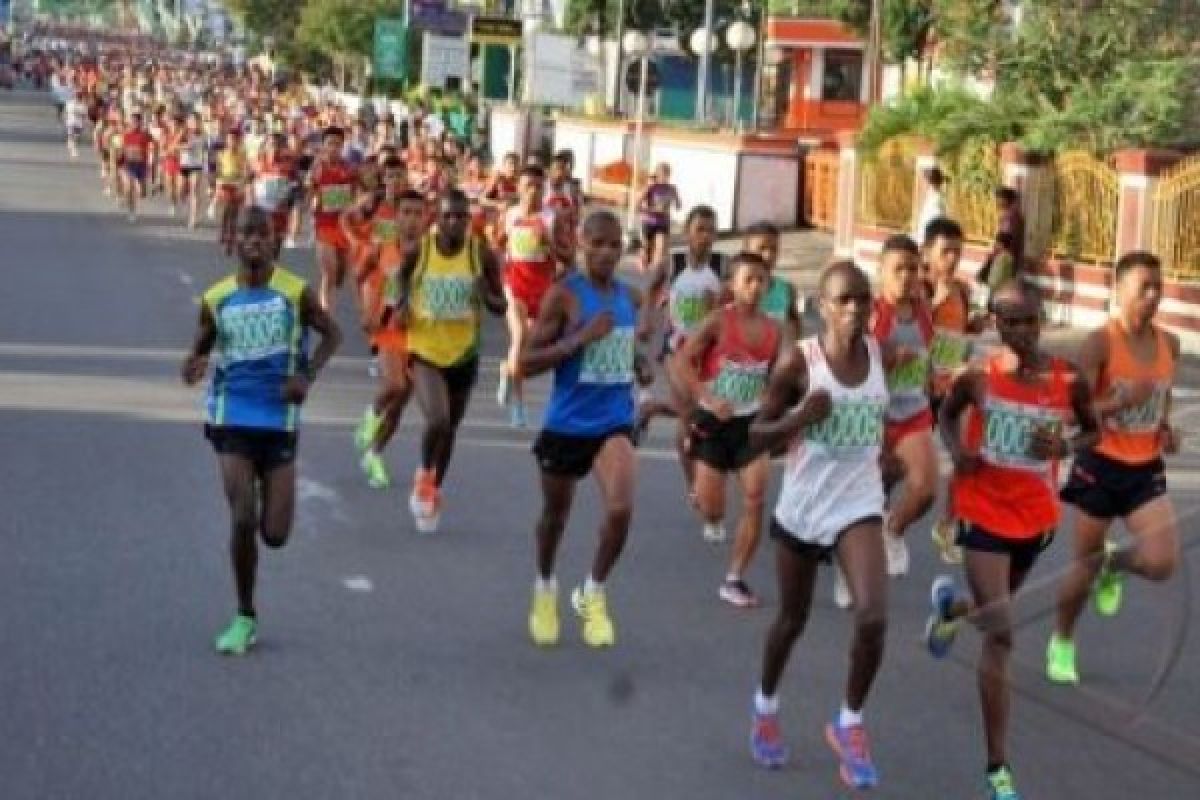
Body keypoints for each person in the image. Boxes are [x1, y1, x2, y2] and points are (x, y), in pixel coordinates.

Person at [924, 281, 1098, 800]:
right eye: (1010, 321)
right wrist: (958, 451)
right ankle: (998, 766)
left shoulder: (1069, 378)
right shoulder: (979, 376)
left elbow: (1094, 432)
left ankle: (953, 611)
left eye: (1030, 320)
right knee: (1001, 634)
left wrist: (1065, 443)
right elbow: (947, 415)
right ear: (996, 323)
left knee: (991, 614)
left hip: (1035, 519)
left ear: (1042, 319)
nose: (1022, 330)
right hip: (982, 510)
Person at [748, 260, 891, 790]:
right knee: (792, 620)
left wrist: (893, 459)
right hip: (805, 507)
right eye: (844, 300)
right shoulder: (799, 363)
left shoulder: (881, 354)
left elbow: (884, 417)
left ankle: (849, 722)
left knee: (873, 617)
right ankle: (765, 703)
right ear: (823, 307)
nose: (855, 309)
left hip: (858, 502)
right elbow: (757, 436)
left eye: (863, 300)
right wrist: (797, 421)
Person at [180, 207, 342, 655]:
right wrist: (192, 365)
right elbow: (197, 351)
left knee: (274, 534)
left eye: (262, 234)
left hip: (279, 419)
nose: (254, 241)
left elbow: (333, 334)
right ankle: (244, 614)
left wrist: (306, 376)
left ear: (274, 241)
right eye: (246, 234)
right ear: (234, 240)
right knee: (242, 517)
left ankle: (249, 592)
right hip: (232, 415)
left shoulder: (296, 293)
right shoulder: (217, 299)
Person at [1048, 251, 1181, 685]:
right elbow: (1075, 412)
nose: (1153, 295)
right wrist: (1121, 401)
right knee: (1082, 565)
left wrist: (1165, 427)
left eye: (1158, 287)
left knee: (1162, 563)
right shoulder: (1101, 342)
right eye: (1143, 287)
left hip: (1144, 468)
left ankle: (1116, 565)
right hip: (1100, 465)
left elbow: (1162, 396)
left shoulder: (1169, 344)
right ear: (1118, 289)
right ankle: (1063, 640)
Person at [521, 210, 649, 648]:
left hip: (613, 421)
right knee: (556, 518)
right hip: (567, 423)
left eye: (615, 245)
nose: (607, 253)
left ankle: (592, 592)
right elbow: (526, 363)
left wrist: (640, 362)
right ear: (582, 245)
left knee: (620, 507)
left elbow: (626, 347)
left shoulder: (629, 298)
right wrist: (579, 339)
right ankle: (544, 587)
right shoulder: (564, 296)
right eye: (598, 244)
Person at [390, 190, 506, 533]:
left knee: (451, 428)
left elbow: (500, 306)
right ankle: (424, 477)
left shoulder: (480, 254)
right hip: (425, 347)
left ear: (468, 220)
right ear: (436, 219)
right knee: (438, 420)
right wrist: (402, 304)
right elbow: (400, 277)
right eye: (447, 216)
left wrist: (486, 295)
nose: (454, 222)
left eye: (460, 216)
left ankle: (434, 485)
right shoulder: (420, 250)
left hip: (464, 353)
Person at [679, 253, 781, 608]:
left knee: (755, 499)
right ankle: (703, 498)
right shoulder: (717, 322)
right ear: (733, 285)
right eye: (747, 279)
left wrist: (771, 399)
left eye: (761, 280)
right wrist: (706, 394)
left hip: (750, 426)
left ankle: (734, 578)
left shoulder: (774, 330)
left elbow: (773, 378)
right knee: (714, 511)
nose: (754, 287)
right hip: (713, 423)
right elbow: (683, 361)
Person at [637, 206, 727, 512]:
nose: (706, 237)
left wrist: (717, 304)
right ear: (688, 232)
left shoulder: (722, 265)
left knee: (698, 415)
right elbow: (650, 290)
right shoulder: (672, 263)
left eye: (711, 230)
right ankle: (694, 487)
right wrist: (647, 320)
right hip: (676, 349)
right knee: (689, 413)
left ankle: (651, 409)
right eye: (700, 229)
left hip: (710, 352)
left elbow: (732, 304)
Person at [350, 182, 428, 490]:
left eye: (417, 213)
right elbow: (359, 278)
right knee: (394, 385)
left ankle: (374, 454)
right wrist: (365, 313)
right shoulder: (383, 247)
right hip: (389, 329)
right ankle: (368, 420)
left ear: (426, 217)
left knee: (399, 406)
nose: (411, 219)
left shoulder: (432, 252)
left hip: (422, 334)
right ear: (396, 217)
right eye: (406, 212)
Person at [869, 234, 937, 580]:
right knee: (866, 495)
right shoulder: (872, 313)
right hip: (874, 418)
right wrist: (891, 357)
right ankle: (850, 564)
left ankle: (892, 532)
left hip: (913, 412)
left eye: (913, 269)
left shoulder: (925, 314)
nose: (907, 277)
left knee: (925, 489)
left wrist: (941, 373)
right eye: (898, 269)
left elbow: (930, 361)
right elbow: (853, 361)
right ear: (881, 272)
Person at [923, 217, 985, 564]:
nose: (952, 260)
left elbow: (958, 333)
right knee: (897, 461)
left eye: (958, 253)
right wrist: (933, 305)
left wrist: (972, 327)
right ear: (927, 252)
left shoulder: (962, 290)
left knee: (962, 456)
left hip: (953, 387)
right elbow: (911, 333)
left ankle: (949, 526)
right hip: (920, 388)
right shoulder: (918, 289)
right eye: (945, 252)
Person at [496, 165, 568, 428]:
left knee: (530, 350)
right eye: (528, 186)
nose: (533, 192)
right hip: (515, 286)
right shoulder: (510, 214)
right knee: (518, 338)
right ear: (519, 188)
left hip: (543, 289)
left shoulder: (552, 217)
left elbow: (566, 256)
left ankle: (506, 369)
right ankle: (518, 405)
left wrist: (549, 242)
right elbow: (498, 244)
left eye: (538, 187)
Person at [308, 126, 358, 310]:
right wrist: (314, 199)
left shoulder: (349, 168)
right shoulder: (317, 168)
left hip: (343, 226)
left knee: (340, 272)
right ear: (323, 145)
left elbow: (356, 193)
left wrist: (354, 206)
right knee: (329, 270)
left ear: (342, 146)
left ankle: (335, 280)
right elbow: (309, 190)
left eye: (338, 144)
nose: (334, 148)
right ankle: (325, 306)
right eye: (330, 143)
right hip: (324, 225)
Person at [744, 221, 803, 343]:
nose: (768, 255)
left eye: (774, 249)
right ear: (746, 251)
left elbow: (795, 329)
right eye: (762, 248)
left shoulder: (787, 290)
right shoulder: (735, 290)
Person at [637, 162, 682, 272]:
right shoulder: (651, 187)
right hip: (649, 221)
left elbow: (678, 206)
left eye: (667, 174)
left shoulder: (672, 188)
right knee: (647, 248)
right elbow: (637, 205)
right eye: (663, 174)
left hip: (663, 223)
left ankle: (654, 271)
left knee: (661, 248)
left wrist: (676, 200)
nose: (665, 177)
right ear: (657, 174)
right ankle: (643, 260)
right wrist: (652, 210)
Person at [119, 110, 154, 222]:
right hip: (128, 164)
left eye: (136, 122)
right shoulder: (126, 135)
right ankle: (131, 211)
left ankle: (127, 198)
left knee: (142, 193)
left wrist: (154, 160)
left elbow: (156, 144)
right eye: (132, 122)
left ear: (140, 122)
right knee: (129, 187)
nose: (134, 124)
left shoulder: (145, 135)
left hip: (141, 165)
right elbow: (122, 149)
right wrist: (119, 158)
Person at [913, 166, 947, 244]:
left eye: (924, 181)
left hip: (929, 238)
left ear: (929, 182)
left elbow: (935, 219)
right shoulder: (933, 197)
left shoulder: (936, 199)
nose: (922, 184)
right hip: (926, 237)